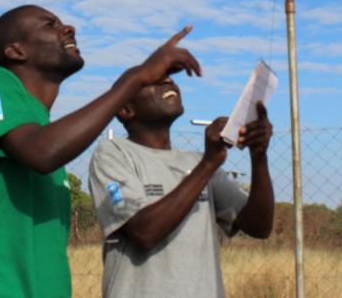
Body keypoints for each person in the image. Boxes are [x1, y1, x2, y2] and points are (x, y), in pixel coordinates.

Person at [0, 4, 202, 298]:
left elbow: (49, 145)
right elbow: (40, 152)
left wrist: (135, 80)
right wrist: (137, 78)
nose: (69, 28)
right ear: (15, 52)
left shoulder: (42, 126)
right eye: (49, 25)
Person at [87, 73, 275, 297]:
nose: (168, 82)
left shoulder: (196, 162)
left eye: (169, 78)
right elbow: (144, 232)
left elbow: (259, 227)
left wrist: (259, 155)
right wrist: (208, 164)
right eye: (151, 81)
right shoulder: (113, 155)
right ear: (127, 109)